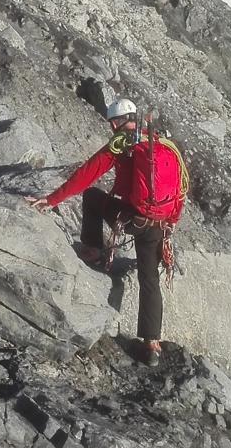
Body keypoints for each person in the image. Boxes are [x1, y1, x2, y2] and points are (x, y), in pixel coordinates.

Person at [28, 99, 188, 365]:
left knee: (92, 196)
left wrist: (53, 199)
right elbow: (180, 189)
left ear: (116, 123)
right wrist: (170, 221)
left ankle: (92, 250)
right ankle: (152, 345)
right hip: (158, 224)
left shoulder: (121, 144)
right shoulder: (165, 145)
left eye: (112, 123)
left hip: (130, 219)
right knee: (149, 279)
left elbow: (88, 174)